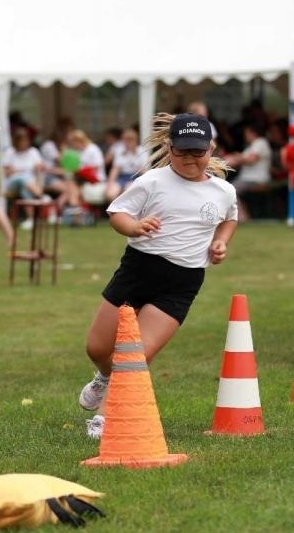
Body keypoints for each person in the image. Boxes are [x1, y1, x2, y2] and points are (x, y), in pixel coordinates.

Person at [78, 111, 238, 433]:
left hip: (182, 282)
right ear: (169, 146)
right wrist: (134, 227)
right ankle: (103, 376)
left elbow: (229, 218)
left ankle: (105, 419)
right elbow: (117, 213)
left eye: (199, 151)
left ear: (211, 148)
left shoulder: (223, 191)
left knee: (136, 353)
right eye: (183, 152)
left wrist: (220, 242)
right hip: (138, 271)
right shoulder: (152, 181)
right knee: (97, 348)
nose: (191, 159)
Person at [227, 122, 272, 219]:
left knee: (230, 190)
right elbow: (241, 160)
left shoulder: (260, 142)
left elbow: (251, 160)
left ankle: (242, 217)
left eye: (246, 133)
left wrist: (236, 157)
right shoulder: (251, 146)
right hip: (247, 179)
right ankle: (241, 215)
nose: (245, 136)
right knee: (229, 188)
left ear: (253, 133)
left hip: (256, 180)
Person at [103, 126, 146, 202]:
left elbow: (143, 170)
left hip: (136, 177)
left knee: (128, 191)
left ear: (136, 140)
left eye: (131, 140)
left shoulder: (141, 151)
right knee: (110, 193)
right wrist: (110, 183)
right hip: (122, 177)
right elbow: (115, 169)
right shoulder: (120, 151)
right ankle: (115, 212)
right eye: (126, 140)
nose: (128, 142)